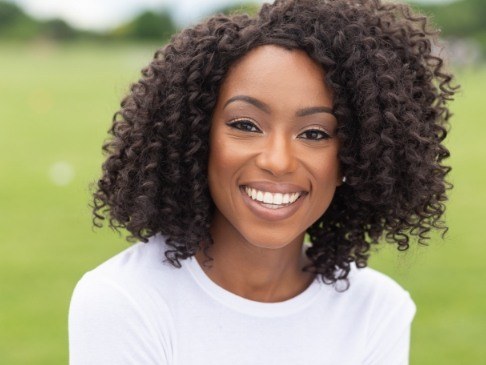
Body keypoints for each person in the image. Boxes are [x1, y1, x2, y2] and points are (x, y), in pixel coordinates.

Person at [69, 0, 456, 363]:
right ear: (196, 137)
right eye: (245, 125)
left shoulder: (376, 310)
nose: (277, 161)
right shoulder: (124, 300)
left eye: (316, 133)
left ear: (353, 157)